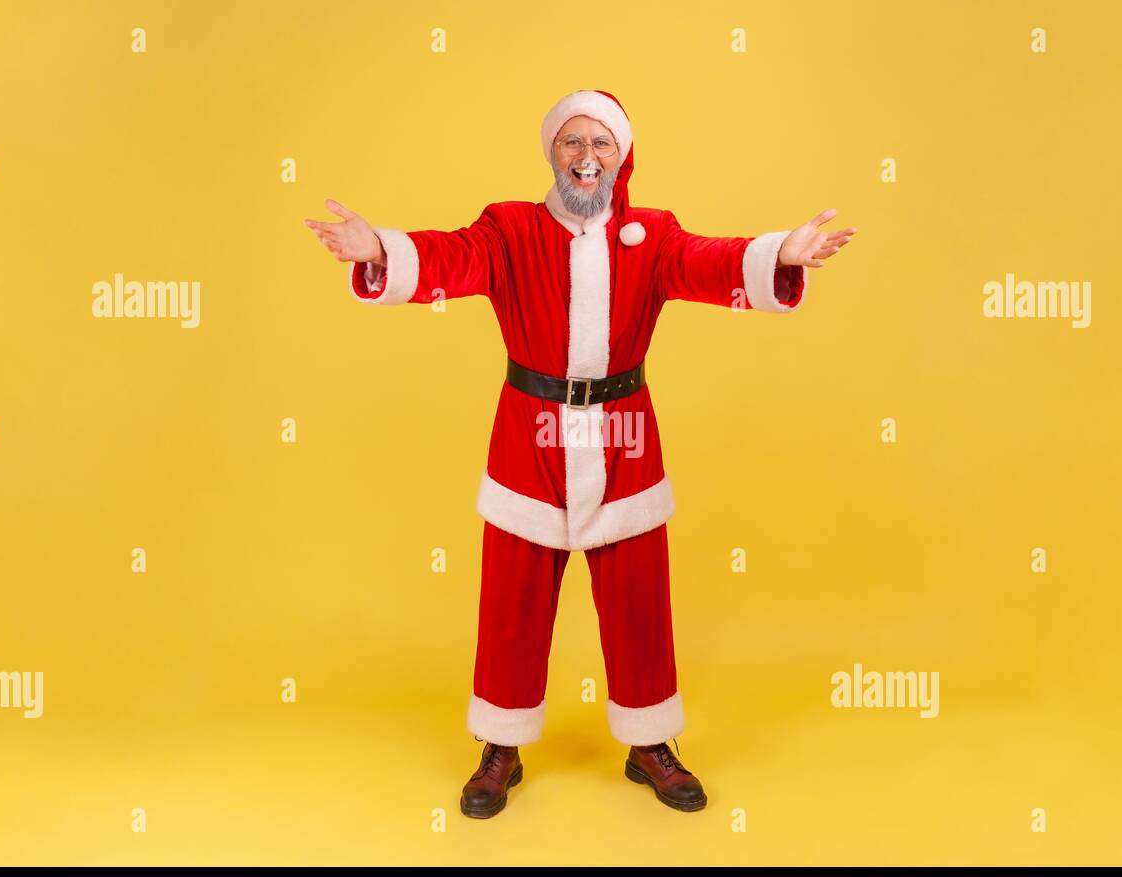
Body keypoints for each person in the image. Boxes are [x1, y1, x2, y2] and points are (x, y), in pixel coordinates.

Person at [304, 89, 856, 818]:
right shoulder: (511, 229)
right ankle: (501, 745)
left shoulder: (654, 236)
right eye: (572, 142)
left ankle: (649, 740)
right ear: (551, 153)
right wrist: (382, 251)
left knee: (638, 600)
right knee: (513, 598)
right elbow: (452, 256)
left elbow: (707, 262)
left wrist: (779, 254)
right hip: (527, 435)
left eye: (600, 143)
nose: (586, 157)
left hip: (625, 437)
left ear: (620, 155)